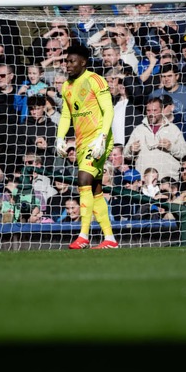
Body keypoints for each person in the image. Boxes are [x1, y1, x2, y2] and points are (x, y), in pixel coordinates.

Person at [54, 44, 118, 249]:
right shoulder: (66, 86)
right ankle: (109, 239)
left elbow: (108, 110)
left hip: (100, 140)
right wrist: (60, 138)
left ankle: (83, 235)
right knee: (95, 188)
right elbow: (66, 115)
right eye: (66, 61)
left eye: (72, 61)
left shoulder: (95, 80)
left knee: (83, 179)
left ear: (83, 62)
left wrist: (102, 136)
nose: (67, 65)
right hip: (82, 143)